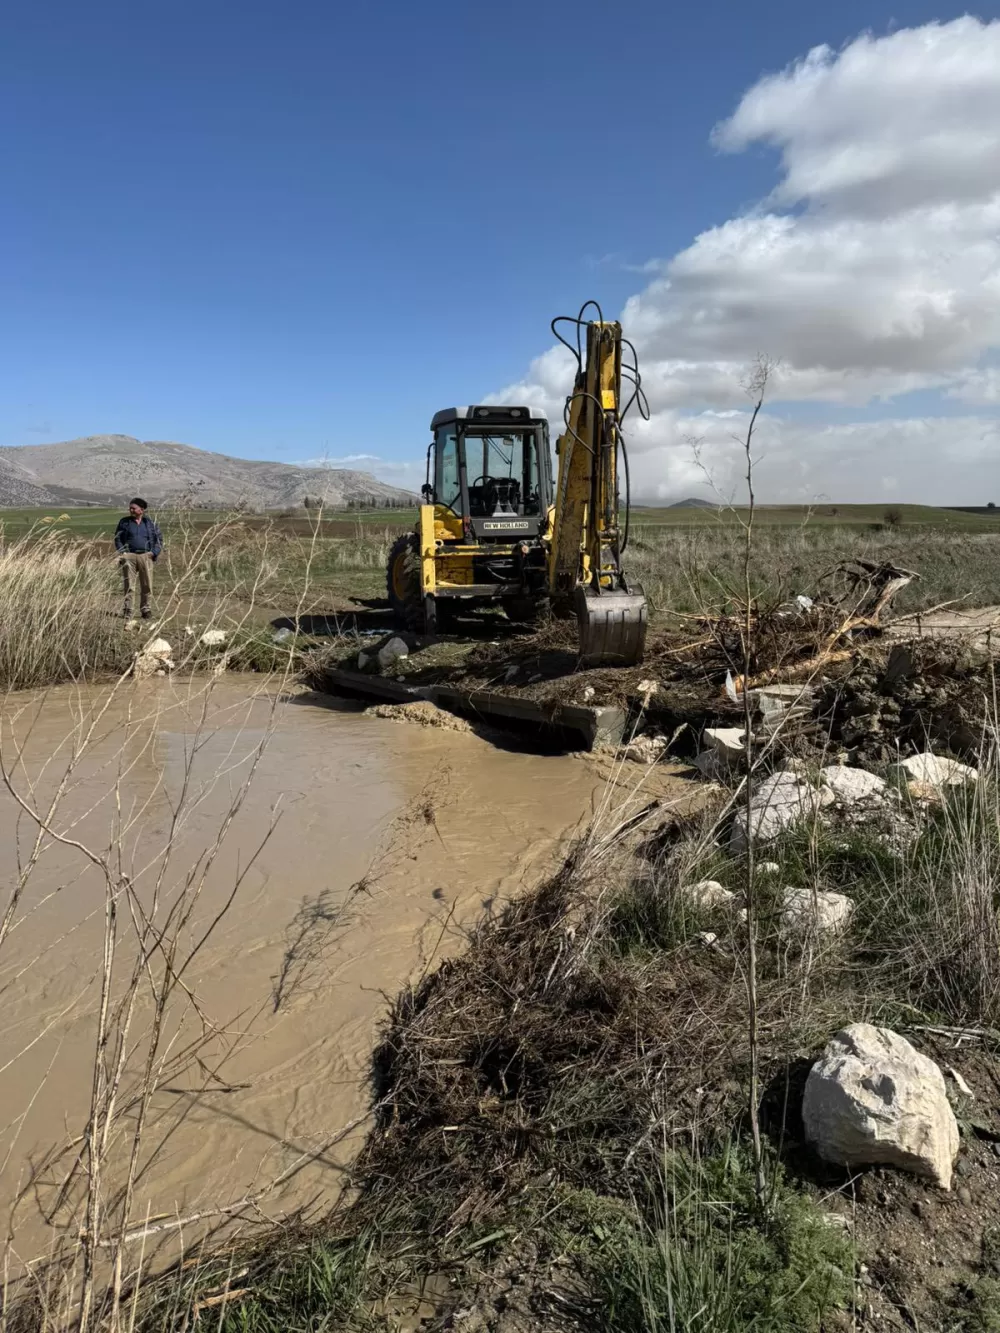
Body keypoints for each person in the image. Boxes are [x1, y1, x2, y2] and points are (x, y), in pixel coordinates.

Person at [114, 497, 162, 620]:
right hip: (129, 556)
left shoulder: (150, 524)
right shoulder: (124, 522)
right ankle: (128, 610)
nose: (131, 510)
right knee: (129, 585)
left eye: (133, 508)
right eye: (130, 508)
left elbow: (159, 540)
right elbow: (118, 538)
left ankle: (146, 610)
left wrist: (154, 552)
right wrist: (122, 552)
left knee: (147, 585)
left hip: (146, 556)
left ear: (141, 510)